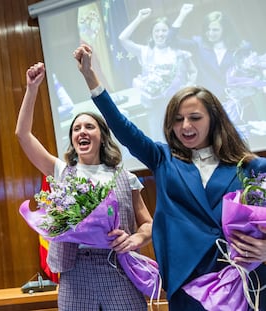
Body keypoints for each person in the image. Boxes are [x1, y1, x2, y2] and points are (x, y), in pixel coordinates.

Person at [73, 43, 266, 310]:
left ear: (214, 119)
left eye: (195, 117)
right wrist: (90, 78)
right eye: (177, 119)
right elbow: (122, 127)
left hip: (243, 281)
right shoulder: (162, 159)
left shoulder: (249, 167)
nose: (185, 126)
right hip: (188, 283)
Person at [15, 62, 153, 310]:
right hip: (75, 272)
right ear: (72, 139)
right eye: (76, 128)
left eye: (89, 126)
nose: (82, 131)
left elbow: (148, 224)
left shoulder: (125, 176)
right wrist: (32, 89)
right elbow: (23, 135)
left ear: (102, 136)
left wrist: (136, 240)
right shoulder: (60, 171)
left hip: (118, 269)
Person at [119, 8, 197, 142]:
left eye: (164, 30)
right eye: (157, 31)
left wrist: (189, 86)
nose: (160, 34)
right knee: (160, 142)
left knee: (183, 141)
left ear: (170, 33)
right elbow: (122, 38)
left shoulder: (178, 52)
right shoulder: (145, 52)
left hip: (178, 106)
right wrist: (139, 18)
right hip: (155, 108)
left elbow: (193, 71)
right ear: (152, 34)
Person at [170, 4, 251, 103]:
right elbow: (171, 41)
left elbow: (250, 75)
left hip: (239, 102)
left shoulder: (241, 47)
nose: (210, 33)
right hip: (210, 102)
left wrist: (245, 91)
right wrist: (182, 15)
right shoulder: (198, 44)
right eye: (207, 30)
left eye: (215, 30)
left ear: (225, 30)